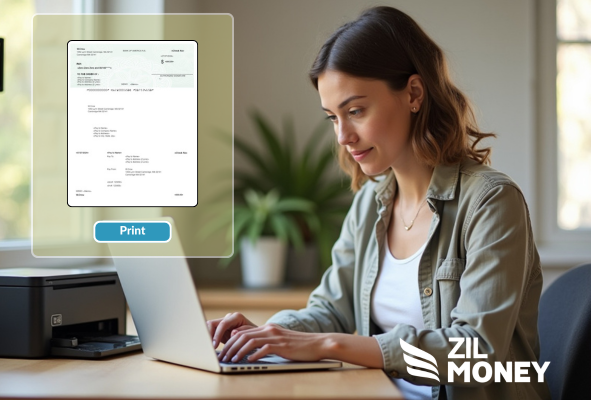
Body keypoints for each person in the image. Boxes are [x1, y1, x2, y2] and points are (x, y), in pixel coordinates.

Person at [207, 6, 550, 400]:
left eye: (355, 111)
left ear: (414, 95)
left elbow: (475, 354)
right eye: (332, 118)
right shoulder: (370, 202)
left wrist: (332, 346)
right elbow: (330, 311)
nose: (343, 136)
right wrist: (266, 335)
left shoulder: (491, 202)